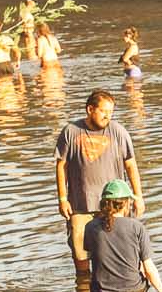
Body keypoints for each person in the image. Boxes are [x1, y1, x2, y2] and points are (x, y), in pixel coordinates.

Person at [55, 89, 143, 275]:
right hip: (80, 205)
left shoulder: (118, 132)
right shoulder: (71, 132)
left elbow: (131, 165)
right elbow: (61, 165)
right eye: (104, 111)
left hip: (115, 205)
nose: (108, 116)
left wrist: (138, 197)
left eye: (111, 112)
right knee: (80, 253)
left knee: (118, 251)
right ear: (90, 109)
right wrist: (63, 198)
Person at [81, 179, 162, 292]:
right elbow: (149, 269)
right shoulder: (136, 227)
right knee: (141, 266)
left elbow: (93, 259)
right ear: (125, 203)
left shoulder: (90, 227)